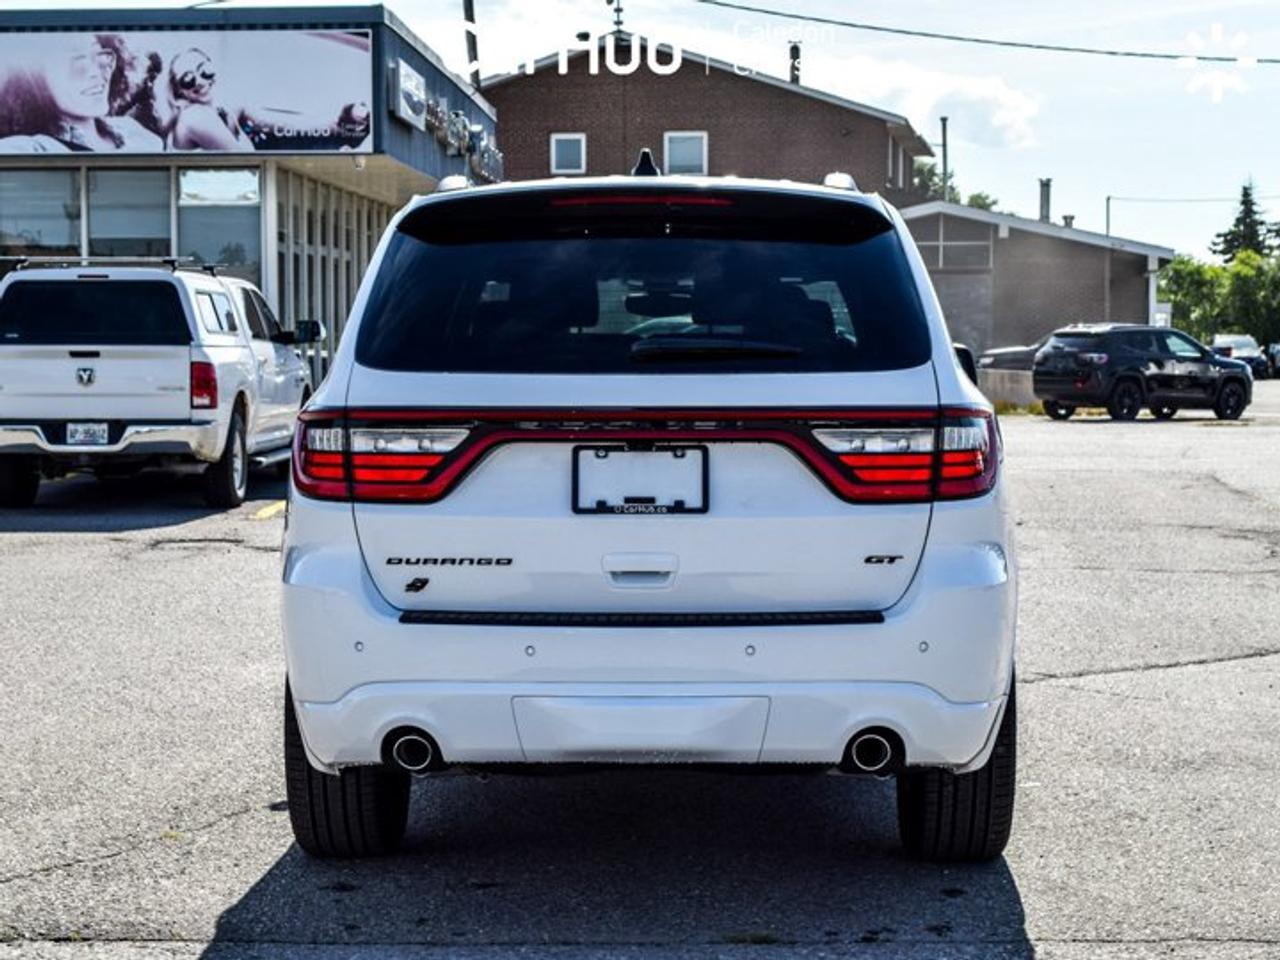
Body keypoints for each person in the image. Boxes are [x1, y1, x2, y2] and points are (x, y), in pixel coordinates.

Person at [0, 34, 162, 152]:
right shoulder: (29, 149)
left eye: (102, 57)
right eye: (77, 63)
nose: (96, 73)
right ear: (36, 82)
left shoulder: (130, 129)